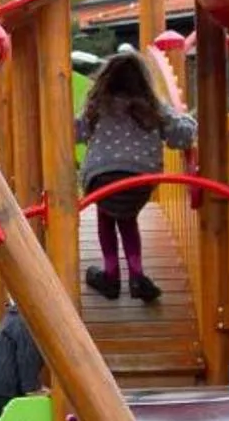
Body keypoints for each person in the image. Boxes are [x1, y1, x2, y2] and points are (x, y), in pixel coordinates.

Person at [74, 46, 197, 303]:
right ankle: (137, 275)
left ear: (106, 80)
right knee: (127, 218)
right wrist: (189, 119)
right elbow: (181, 135)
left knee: (106, 216)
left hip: (101, 179)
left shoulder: (98, 105)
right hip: (139, 181)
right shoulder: (153, 107)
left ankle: (110, 275)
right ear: (143, 81)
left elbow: (76, 132)